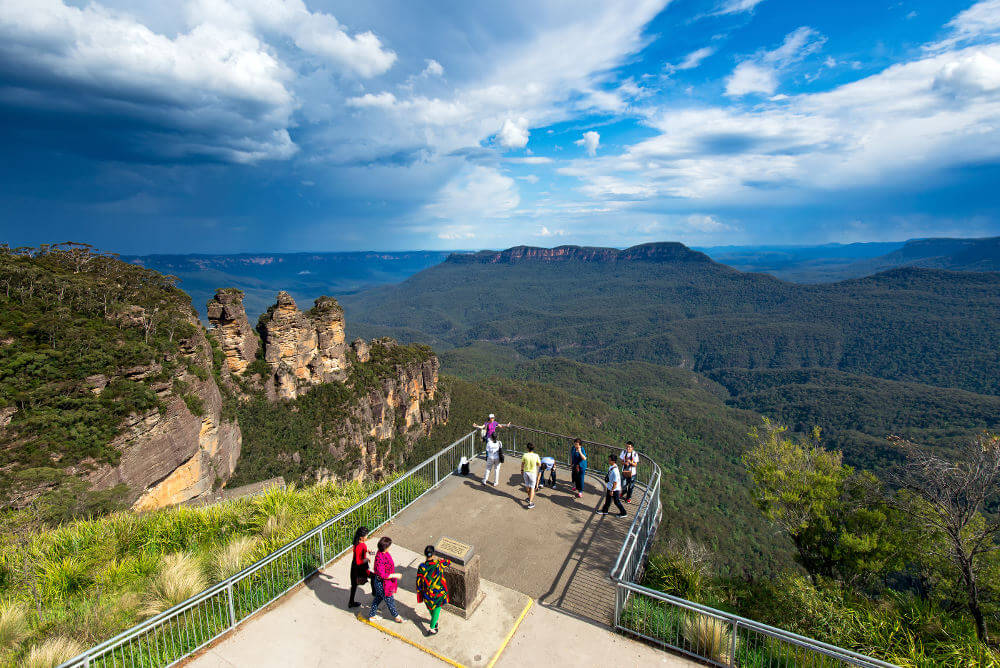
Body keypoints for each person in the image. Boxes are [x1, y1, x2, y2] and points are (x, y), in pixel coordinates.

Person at [415, 545, 452, 636]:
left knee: (431, 608)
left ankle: (434, 621)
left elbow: (419, 581)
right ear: (434, 554)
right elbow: (448, 562)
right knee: (437, 610)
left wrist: (420, 592)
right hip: (438, 594)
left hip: (427, 594)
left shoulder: (422, 567)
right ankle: (432, 628)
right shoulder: (439, 563)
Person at [368, 536, 404, 622]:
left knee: (378, 598)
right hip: (383, 584)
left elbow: (374, 554)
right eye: (389, 546)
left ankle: (372, 615)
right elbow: (383, 575)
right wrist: (395, 575)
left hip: (382, 583)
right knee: (389, 600)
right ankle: (396, 616)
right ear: (385, 547)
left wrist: (370, 553)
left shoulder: (381, 553)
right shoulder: (380, 558)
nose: (389, 548)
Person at [348, 526, 370, 608]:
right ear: (362, 537)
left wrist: (367, 551)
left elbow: (361, 551)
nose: (367, 537)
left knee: (354, 585)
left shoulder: (358, 543)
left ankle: (351, 602)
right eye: (366, 535)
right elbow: (358, 561)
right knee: (374, 577)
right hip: (359, 567)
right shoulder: (360, 546)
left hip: (356, 567)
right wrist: (366, 559)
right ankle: (377, 594)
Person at [521, 442, 541, 509]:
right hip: (532, 473)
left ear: (527, 448)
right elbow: (539, 464)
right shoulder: (536, 456)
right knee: (532, 488)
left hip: (526, 472)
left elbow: (523, 464)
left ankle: (529, 497)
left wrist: (521, 470)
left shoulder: (525, 455)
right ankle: (530, 502)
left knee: (527, 486)